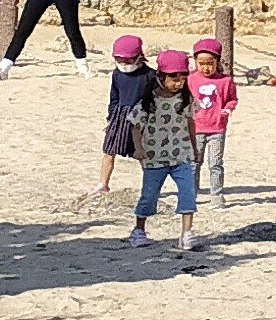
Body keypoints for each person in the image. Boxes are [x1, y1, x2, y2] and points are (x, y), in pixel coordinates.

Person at [127, 47, 200, 251]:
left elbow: (191, 124)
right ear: (160, 76)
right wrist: (138, 149)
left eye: (182, 78)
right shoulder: (148, 103)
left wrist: (195, 149)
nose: (178, 83)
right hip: (155, 157)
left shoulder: (185, 100)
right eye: (173, 78)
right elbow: (137, 126)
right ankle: (139, 231)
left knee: (188, 193)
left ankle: (187, 233)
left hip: (181, 156)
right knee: (149, 196)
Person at [97, 35, 152, 195]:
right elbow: (113, 98)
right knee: (108, 152)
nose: (123, 64)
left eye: (127, 60)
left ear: (139, 57)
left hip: (141, 119)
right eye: (119, 60)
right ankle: (103, 184)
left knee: (144, 155)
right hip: (119, 117)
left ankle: (149, 187)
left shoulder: (150, 76)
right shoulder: (117, 74)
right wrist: (110, 119)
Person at [189, 37, 238, 204]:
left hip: (217, 128)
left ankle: (216, 194)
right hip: (195, 128)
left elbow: (232, 99)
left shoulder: (225, 81)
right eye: (201, 63)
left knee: (215, 163)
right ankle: (191, 194)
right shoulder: (190, 80)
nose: (206, 67)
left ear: (217, 61)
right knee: (194, 163)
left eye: (210, 63)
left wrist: (228, 109)